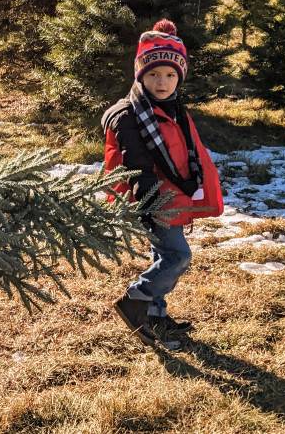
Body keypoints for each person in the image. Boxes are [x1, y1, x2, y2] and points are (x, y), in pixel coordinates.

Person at [103, 19, 223, 347]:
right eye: (154, 74)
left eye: (171, 75)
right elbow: (135, 164)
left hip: (169, 196)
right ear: (141, 75)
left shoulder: (172, 109)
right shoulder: (130, 115)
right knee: (177, 257)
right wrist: (146, 204)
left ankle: (154, 319)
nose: (162, 81)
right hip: (151, 198)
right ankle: (136, 299)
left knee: (164, 254)